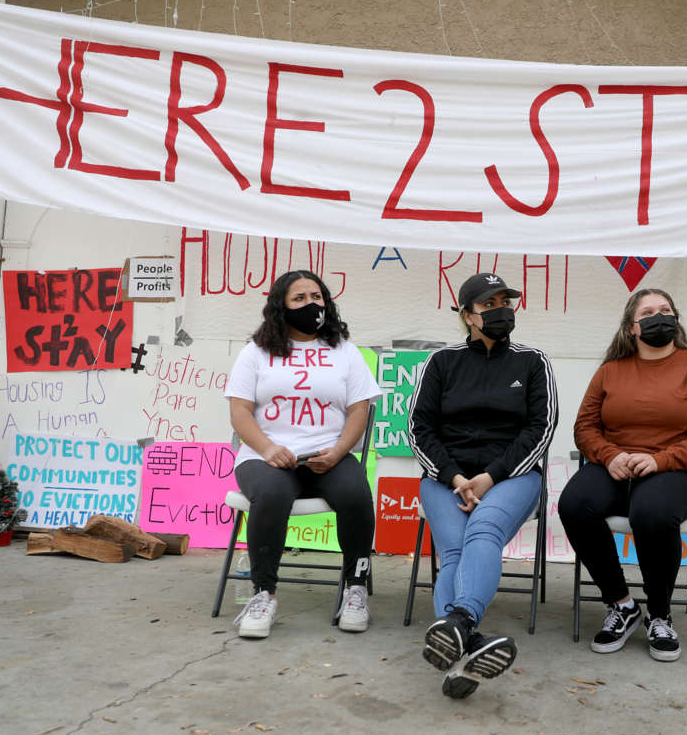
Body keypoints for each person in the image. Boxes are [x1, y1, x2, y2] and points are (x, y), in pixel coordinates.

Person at [406, 272, 558, 699]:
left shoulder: (533, 362)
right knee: (455, 549)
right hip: (446, 479)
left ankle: (458, 621)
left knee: (484, 531)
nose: (500, 310)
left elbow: (540, 431)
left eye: (505, 302)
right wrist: (455, 477)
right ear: (467, 316)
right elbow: (419, 429)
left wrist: (489, 478)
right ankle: (463, 651)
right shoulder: (442, 362)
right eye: (488, 305)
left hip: (512, 476)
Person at [558, 288, 687, 662]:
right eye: (648, 312)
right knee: (573, 504)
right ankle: (622, 605)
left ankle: (659, 613)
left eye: (665, 310)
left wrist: (662, 460)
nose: (658, 316)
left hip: (678, 470)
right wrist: (610, 455)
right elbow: (585, 427)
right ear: (632, 328)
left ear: (676, 319)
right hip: (616, 465)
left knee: (650, 512)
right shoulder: (610, 371)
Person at [224, 270, 381, 639]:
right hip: (266, 458)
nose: (311, 304)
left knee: (356, 492)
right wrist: (268, 449)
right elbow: (240, 412)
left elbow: (359, 411)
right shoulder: (256, 353)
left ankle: (355, 588)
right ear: (281, 307)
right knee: (274, 494)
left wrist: (340, 451)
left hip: (329, 455)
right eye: (299, 299)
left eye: (317, 296)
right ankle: (263, 594)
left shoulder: (345, 352)